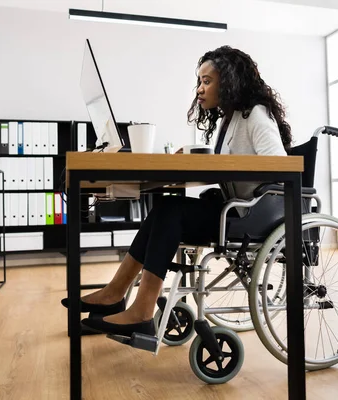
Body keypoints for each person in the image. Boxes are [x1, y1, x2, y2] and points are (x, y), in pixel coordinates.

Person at [67, 45, 293, 337]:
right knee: (165, 209)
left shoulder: (256, 114)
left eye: (207, 81)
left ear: (230, 81)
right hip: (234, 210)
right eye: (200, 81)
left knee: (171, 211)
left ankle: (139, 310)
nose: (199, 89)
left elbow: (279, 167)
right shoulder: (231, 117)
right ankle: (115, 294)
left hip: (252, 216)